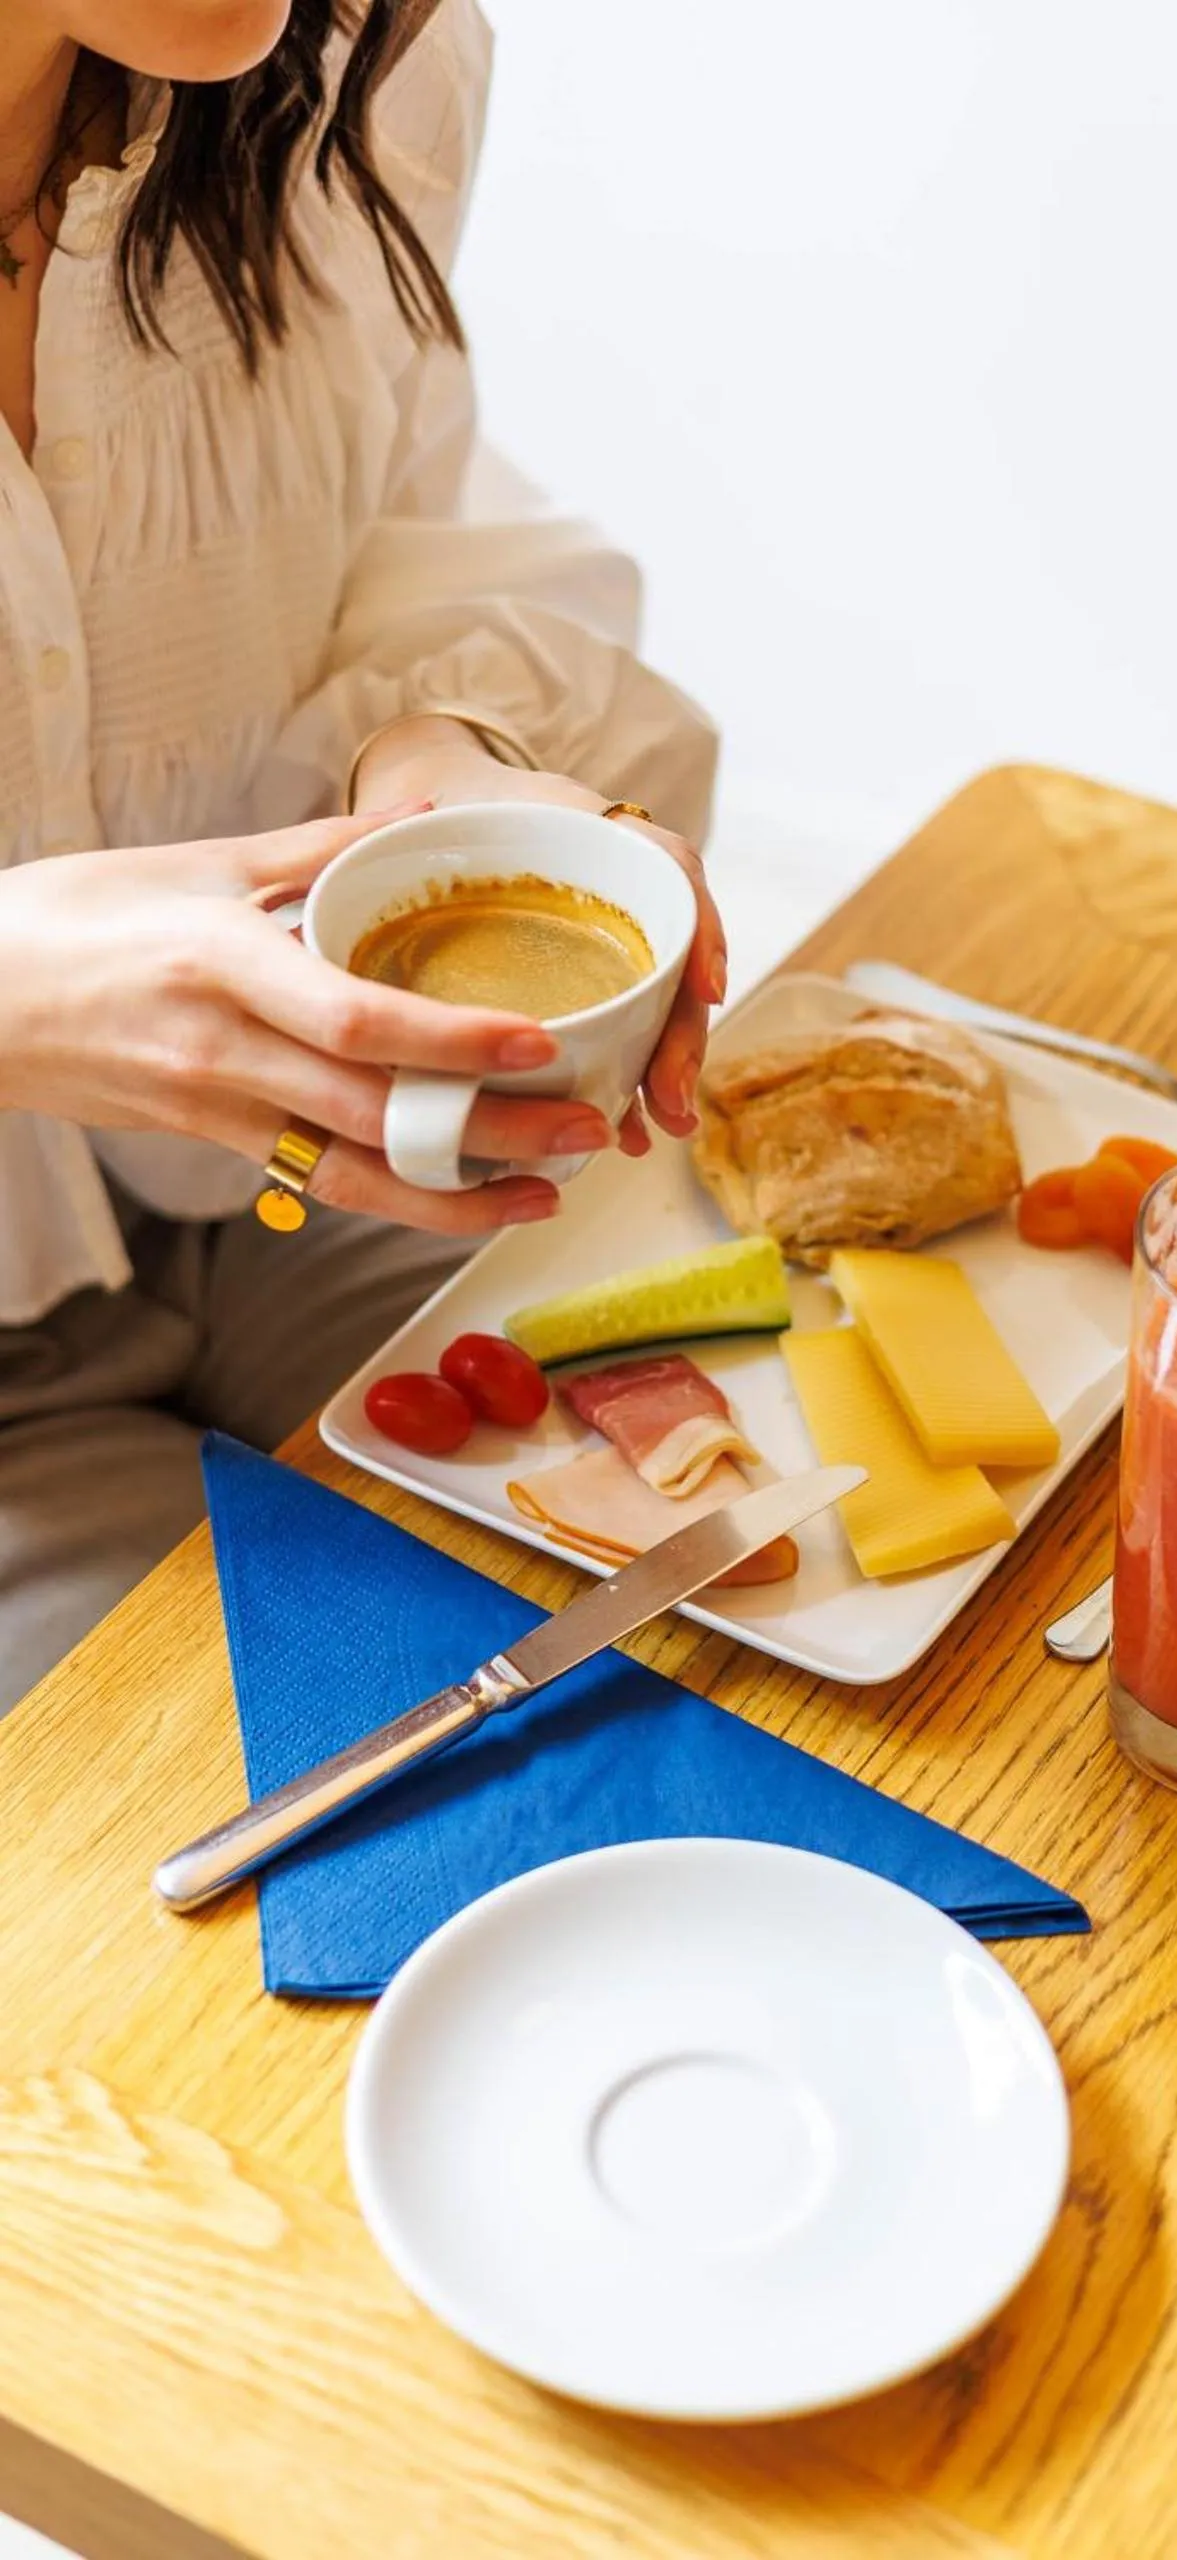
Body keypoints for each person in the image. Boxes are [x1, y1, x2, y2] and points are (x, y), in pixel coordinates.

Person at [0, 0, 724, 1712]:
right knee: (253, 1861)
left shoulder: (351, 68)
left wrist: (448, 753)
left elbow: (393, 519)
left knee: (739, 1646)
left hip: (273, 1193)